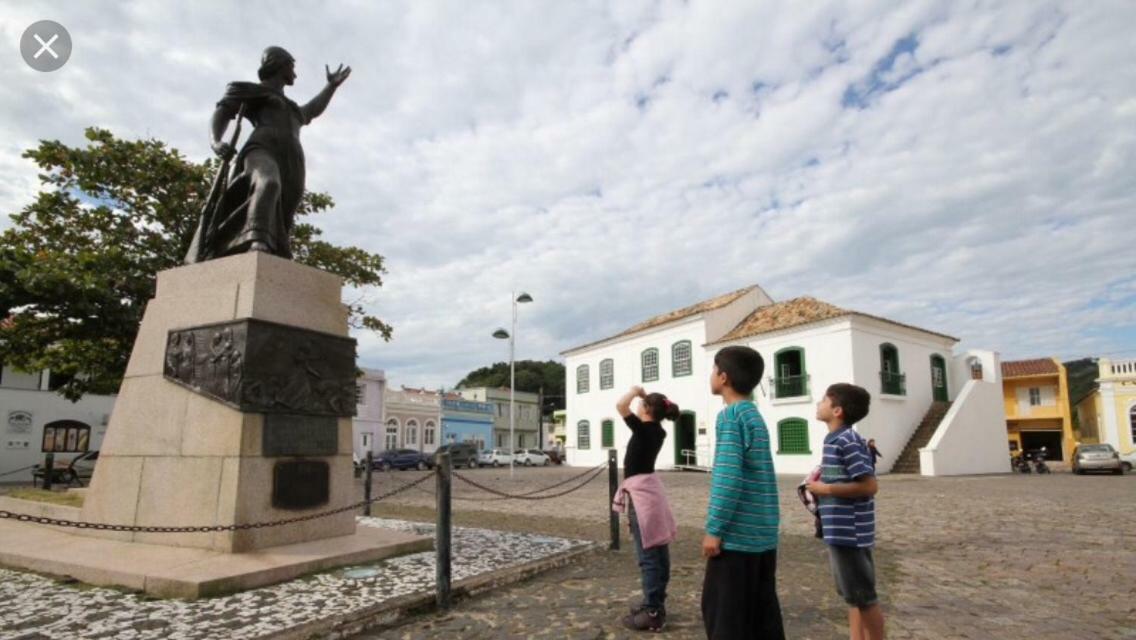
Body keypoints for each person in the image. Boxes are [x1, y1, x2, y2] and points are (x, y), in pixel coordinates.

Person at [186, 46, 351, 263]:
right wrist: (216, 142)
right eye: (292, 67)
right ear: (279, 65)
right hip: (262, 147)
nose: (295, 73)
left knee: (285, 211)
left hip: (292, 159)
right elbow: (224, 111)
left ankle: (275, 253)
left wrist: (331, 87)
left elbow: (311, 111)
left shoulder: (291, 107)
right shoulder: (251, 90)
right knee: (268, 183)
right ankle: (256, 241)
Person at [701, 346, 784, 639]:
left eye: (713, 370)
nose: (711, 375)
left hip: (736, 540)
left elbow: (728, 477)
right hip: (762, 536)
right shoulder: (754, 415)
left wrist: (715, 528)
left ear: (723, 377)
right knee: (762, 617)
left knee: (724, 617)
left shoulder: (731, 417)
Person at [807, 383, 886, 640]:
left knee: (865, 597)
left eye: (823, 400)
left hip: (850, 532)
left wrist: (825, 488)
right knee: (853, 596)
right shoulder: (835, 440)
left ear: (837, 410)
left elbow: (869, 485)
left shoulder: (847, 440)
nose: (818, 404)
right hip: (840, 532)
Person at [611, 385, 679, 632]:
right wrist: (646, 399)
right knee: (659, 551)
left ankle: (652, 612)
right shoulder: (659, 432)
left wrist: (635, 392)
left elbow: (621, 406)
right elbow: (635, 410)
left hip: (642, 499)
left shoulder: (644, 430)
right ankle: (655, 603)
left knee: (648, 556)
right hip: (652, 495)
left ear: (647, 409)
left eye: (642, 406)